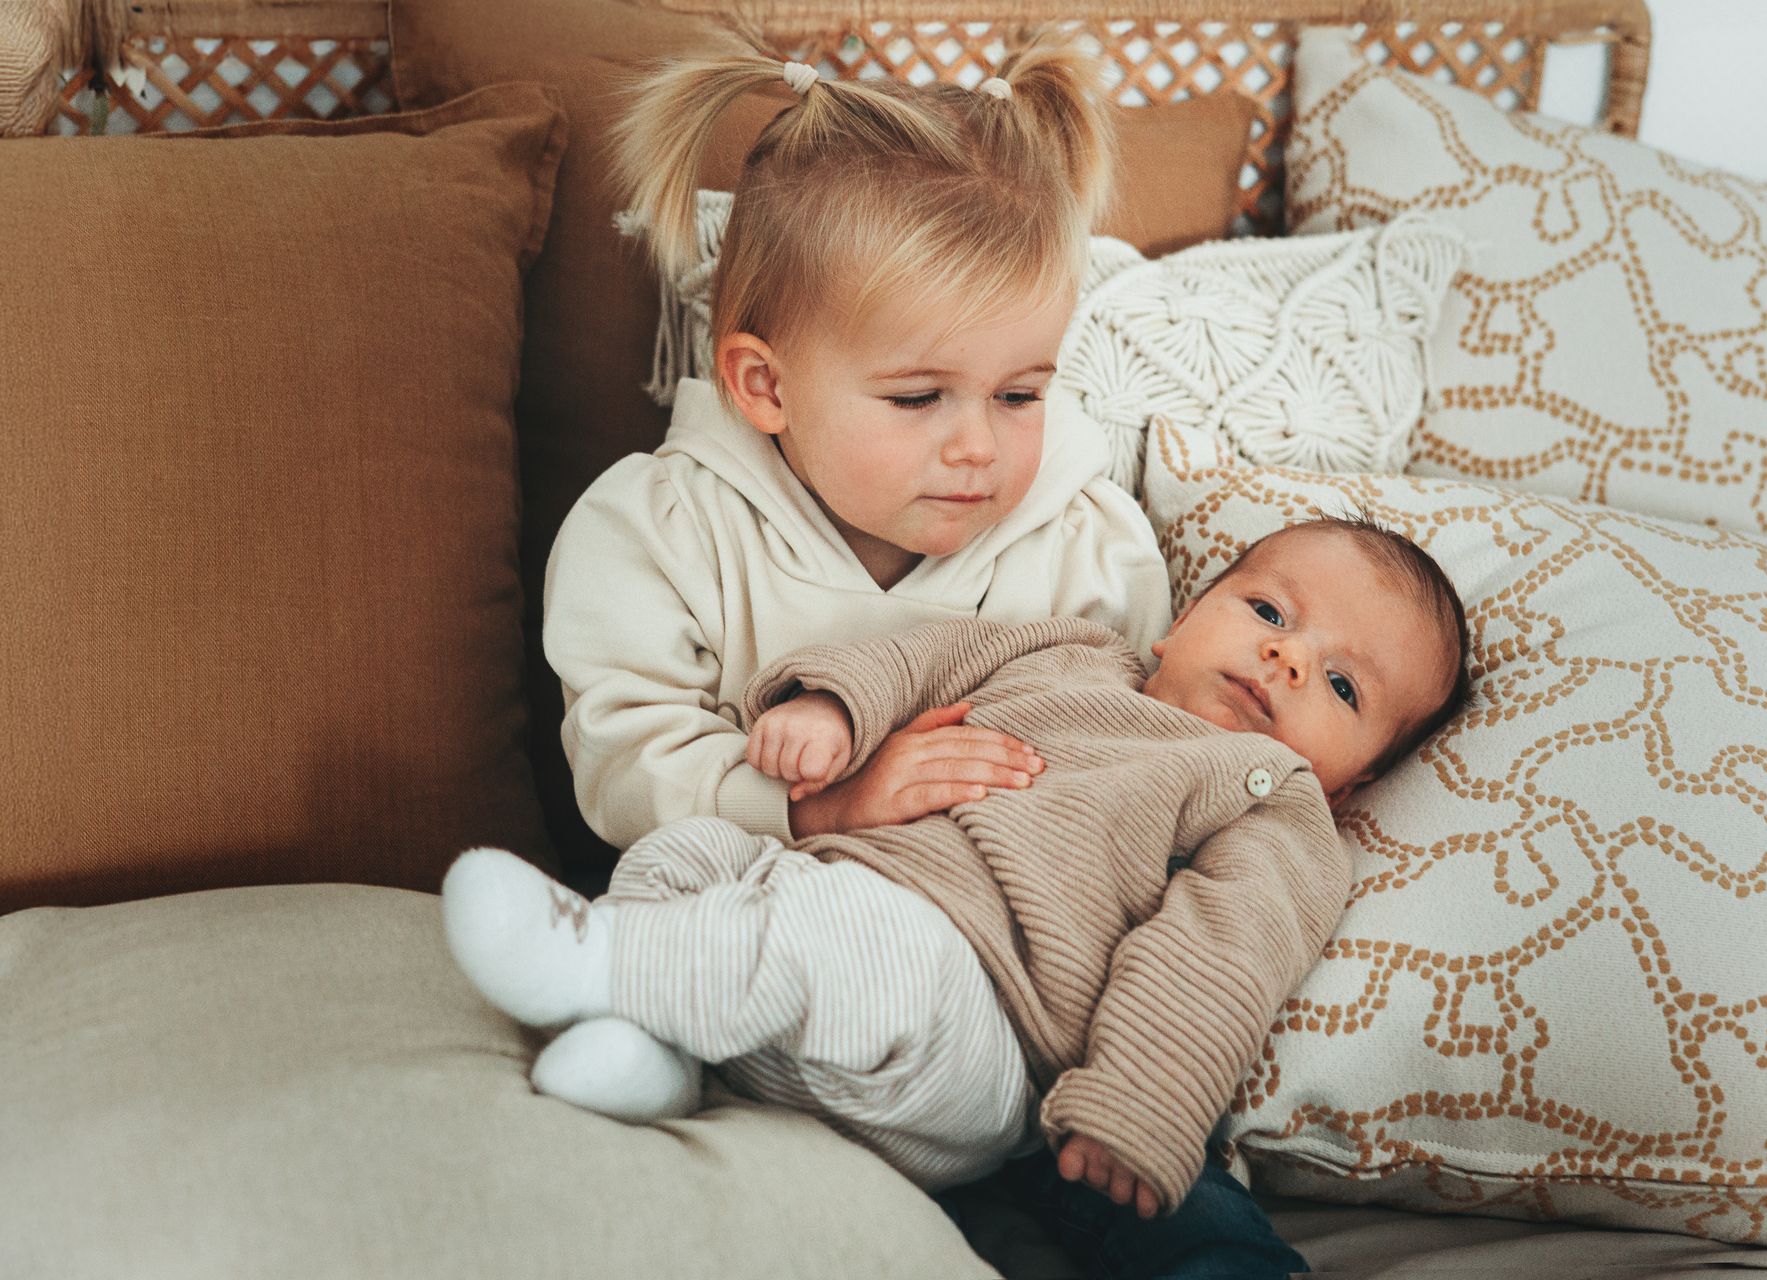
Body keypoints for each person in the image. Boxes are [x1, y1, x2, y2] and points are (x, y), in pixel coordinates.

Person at [447, 516, 1473, 1277]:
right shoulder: (1071, 653)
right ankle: (656, 1053)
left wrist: (1141, 1103)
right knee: (700, 847)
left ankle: (601, 960)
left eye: (1342, 686)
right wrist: (835, 709)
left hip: (977, 1022)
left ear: (1355, 779)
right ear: (1184, 618)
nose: (1288, 656)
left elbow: (1223, 952)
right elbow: (922, 652)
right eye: (1268, 611)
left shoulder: (1270, 799)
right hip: (821, 910)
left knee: (864, 941)